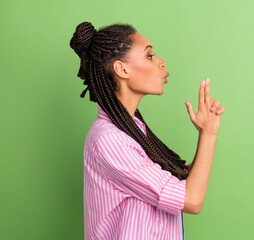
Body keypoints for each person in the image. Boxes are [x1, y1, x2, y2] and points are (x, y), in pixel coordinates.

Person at [69, 21, 225, 240]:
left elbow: (184, 184)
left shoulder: (131, 131)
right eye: (149, 56)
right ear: (122, 69)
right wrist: (209, 134)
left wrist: (207, 131)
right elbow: (190, 199)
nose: (161, 63)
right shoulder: (110, 141)